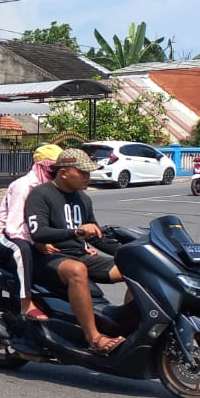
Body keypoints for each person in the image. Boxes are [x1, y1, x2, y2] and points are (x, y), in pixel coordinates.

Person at [25, 148, 124, 354]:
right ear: (63, 172)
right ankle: (93, 337)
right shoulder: (41, 194)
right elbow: (39, 232)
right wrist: (77, 232)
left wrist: (130, 251)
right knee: (77, 270)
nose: (88, 177)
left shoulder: (83, 198)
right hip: (49, 258)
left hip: (80, 256)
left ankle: (126, 326)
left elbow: (96, 235)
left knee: (132, 267)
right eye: (83, 173)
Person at [0, 143, 62, 319]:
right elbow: (14, 227)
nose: (55, 173)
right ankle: (26, 304)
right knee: (22, 249)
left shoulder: (53, 189)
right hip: (3, 234)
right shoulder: (24, 186)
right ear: (40, 165)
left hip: (34, 236)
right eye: (52, 168)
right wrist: (39, 242)